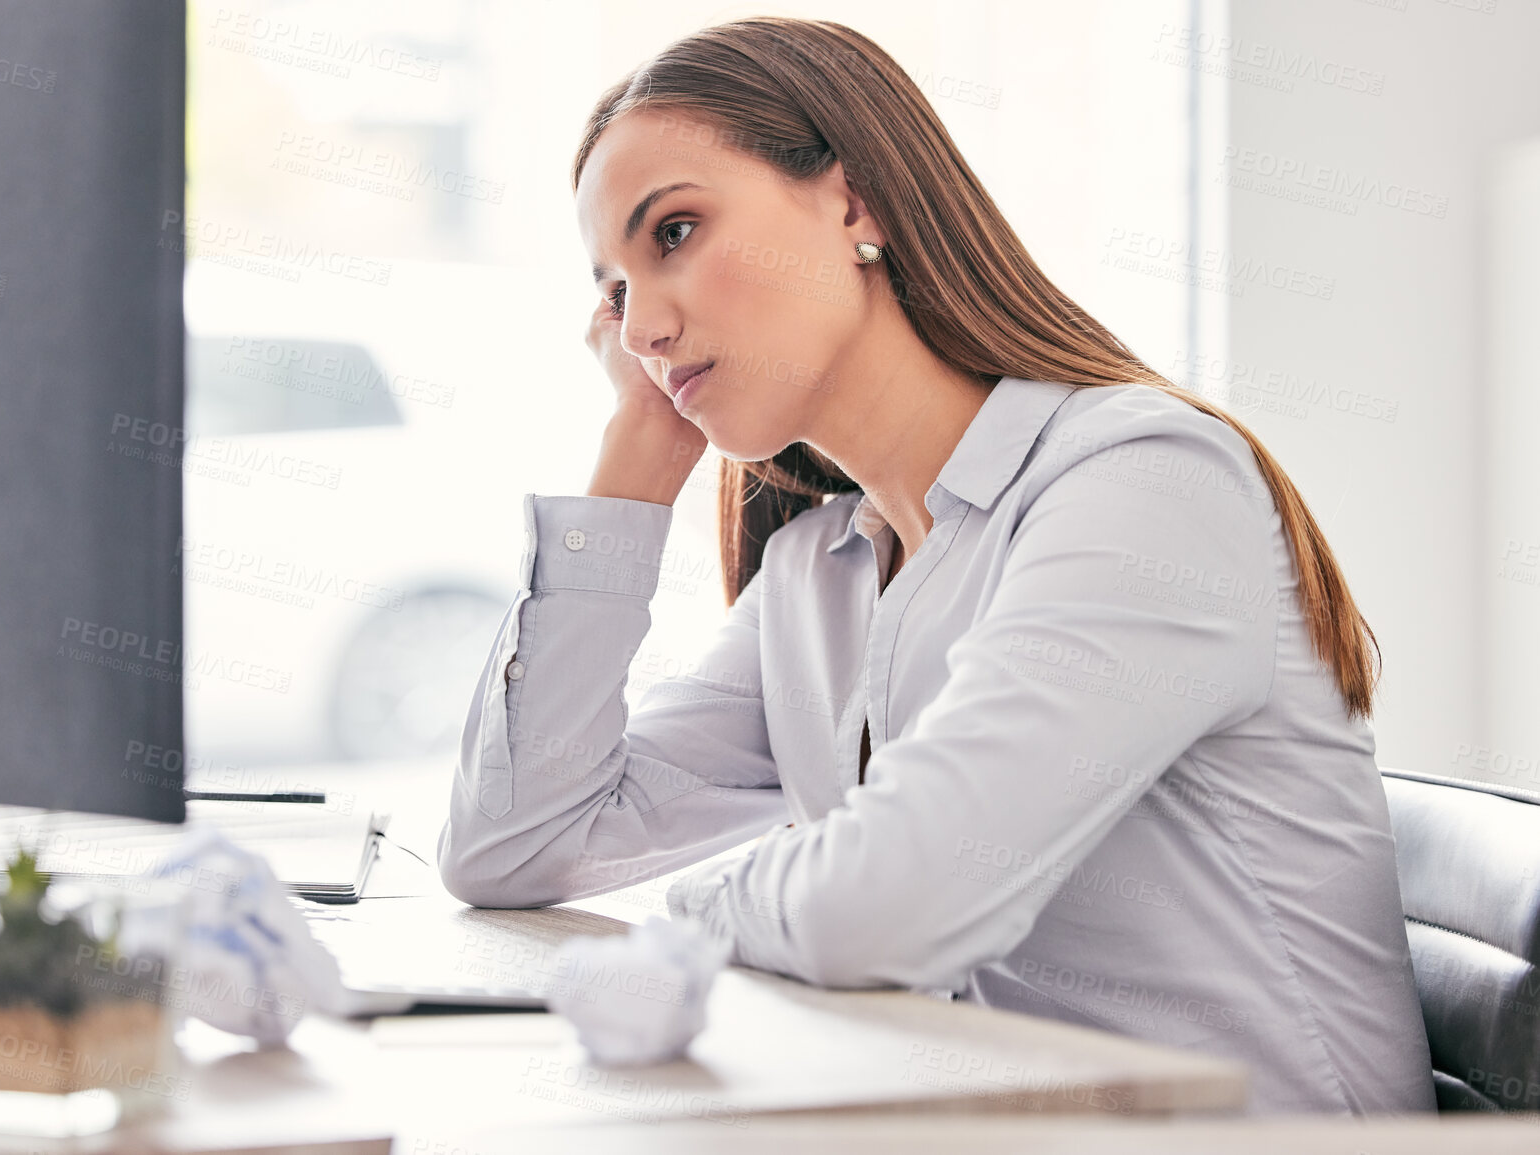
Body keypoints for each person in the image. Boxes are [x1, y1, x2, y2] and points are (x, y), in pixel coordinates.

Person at [435, 16, 1435, 1114]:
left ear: (854, 204)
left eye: (673, 233)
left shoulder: (1143, 484)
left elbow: (891, 908)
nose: (642, 330)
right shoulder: (821, 571)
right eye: (615, 293)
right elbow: (511, 849)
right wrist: (631, 471)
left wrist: (698, 914)